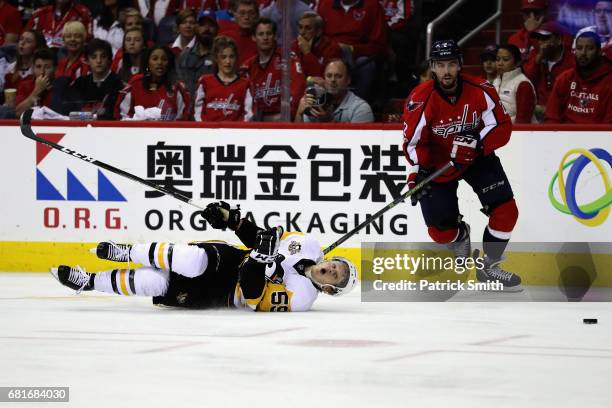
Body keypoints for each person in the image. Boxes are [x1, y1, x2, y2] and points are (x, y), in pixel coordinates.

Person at [50, 201, 358, 312]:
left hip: (224, 293)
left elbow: (253, 298)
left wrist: (261, 259)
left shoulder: (302, 298)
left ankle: (88, 281)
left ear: (329, 289)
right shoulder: (308, 243)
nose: (332, 268)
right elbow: (261, 238)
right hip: (229, 260)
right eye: (337, 265)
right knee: (190, 260)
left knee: (153, 283)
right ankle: (126, 251)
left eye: (336, 276)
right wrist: (232, 221)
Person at [402, 40, 521, 291]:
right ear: (432, 67)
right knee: (439, 231)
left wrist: (477, 144)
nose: (446, 71)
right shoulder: (420, 99)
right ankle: (461, 236)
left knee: (507, 212)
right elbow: (413, 142)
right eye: (440, 65)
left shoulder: (481, 89)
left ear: (460, 65)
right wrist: (417, 172)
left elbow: (502, 127)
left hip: (477, 159)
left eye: (451, 64)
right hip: (438, 165)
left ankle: (489, 267)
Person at [316, 0, 388, 101]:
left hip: (357, 56)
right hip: (329, 51)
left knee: (366, 65)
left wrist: (352, 49)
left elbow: (379, 45)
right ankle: (320, 102)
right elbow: (317, 35)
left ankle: (356, 105)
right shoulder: (325, 4)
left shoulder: (373, 6)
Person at [243, 17, 305, 121]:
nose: (265, 37)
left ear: (275, 36)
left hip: (285, 122)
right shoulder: (247, 66)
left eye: (269, 33)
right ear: (254, 37)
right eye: (261, 34)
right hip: (256, 123)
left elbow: (298, 90)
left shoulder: (288, 58)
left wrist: (286, 115)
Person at [545, 31, 612, 124]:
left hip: (597, 137)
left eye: (590, 48)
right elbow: (551, 118)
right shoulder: (565, 79)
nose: (583, 53)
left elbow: (608, 127)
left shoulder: (609, 83)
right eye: (579, 48)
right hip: (565, 136)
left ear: (599, 52)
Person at [114, 45, 190, 121]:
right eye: (155, 59)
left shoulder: (177, 87)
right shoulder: (135, 84)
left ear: (169, 63)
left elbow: (184, 118)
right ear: (147, 63)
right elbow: (122, 115)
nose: (160, 62)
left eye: (164, 59)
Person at [194, 36, 253, 121]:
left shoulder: (245, 84)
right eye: (223, 57)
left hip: (235, 133)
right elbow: (197, 112)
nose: (228, 61)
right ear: (216, 58)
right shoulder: (205, 82)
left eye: (231, 56)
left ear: (236, 58)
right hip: (208, 132)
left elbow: (249, 114)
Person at [295, 59, 374, 123]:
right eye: (329, 76)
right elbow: (297, 138)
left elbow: (355, 142)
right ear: (324, 79)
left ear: (348, 80)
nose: (333, 80)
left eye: (338, 76)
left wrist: (329, 121)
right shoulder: (314, 101)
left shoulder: (361, 108)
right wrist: (299, 114)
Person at [63, 39, 124, 120]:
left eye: (103, 56)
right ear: (87, 61)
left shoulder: (118, 84)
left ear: (109, 59)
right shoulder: (80, 83)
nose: (98, 61)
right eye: (94, 57)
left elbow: (114, 115)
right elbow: (68, 111)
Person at [523, 21, 575, 112]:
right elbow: (526, 80)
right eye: (539, 39)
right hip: (538, 112)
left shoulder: (572, 62)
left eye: (545, 38)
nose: (540, 43)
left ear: (559, 39)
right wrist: (538, 59)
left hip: (562, 112)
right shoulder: (535, 56)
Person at [177, 9, 219, 98]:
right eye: (202, 25)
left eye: (211, 25)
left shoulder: (221, 57)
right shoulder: (184, 55)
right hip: (187, 105)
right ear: (196, 28)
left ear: (217, 29)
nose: (206, 29)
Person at [15, 48, 67, 117]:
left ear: (55, 69)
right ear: (33, 68)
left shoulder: (62, 86)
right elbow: (18, 113)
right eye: (38, 67)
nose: (42, 71)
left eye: (47, 67)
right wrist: (37, 91)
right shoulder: (25, 85)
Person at [290, 11, 342, 79]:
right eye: (300, 27)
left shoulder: (332, 49)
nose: (302, 32)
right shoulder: (294, 45)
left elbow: (324, 77)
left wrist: (307, 53)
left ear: (318, 32)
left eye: (308, 28)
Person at [493, 44, 536, 124]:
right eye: (498, 59)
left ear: (518, 62)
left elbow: (523, 120)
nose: (500, 63)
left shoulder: (523, 84)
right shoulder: (496, 81)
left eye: (505, 60)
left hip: (518, 133)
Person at [25, 0, 92, 49]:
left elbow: (87, 42)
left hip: (68, 59)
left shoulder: (82, 14)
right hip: (41, 60)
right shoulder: (39, 14)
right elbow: (25, 39)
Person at [219, 0, 259, 66]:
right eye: (242, 13)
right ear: (234, 14)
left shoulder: (263, 39)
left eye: (251, 13)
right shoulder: (225, 37)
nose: (246, 17)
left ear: (257, 15)